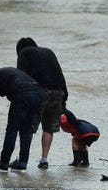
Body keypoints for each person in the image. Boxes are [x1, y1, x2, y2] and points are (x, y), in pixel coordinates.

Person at [0, 67, 42, 172]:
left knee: (12, 130)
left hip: (22, 94)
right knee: (26, 130)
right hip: (38, 93)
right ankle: (22, 164)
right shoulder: (3, 73)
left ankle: (3, 163)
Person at [15, 37, 68, 170]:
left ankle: (22, 160)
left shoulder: (24, 53)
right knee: (49, 128)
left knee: (29, 127)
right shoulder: (49, 52)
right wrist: (64, 99)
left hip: (39, 92)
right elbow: (60, 75)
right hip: (58, 92)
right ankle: (44, 160)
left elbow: (21, 76)